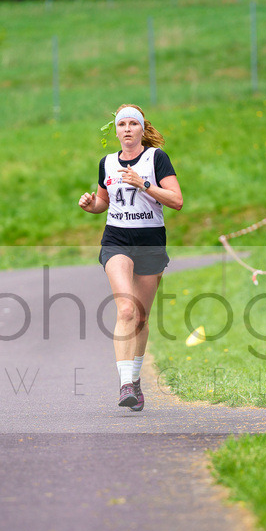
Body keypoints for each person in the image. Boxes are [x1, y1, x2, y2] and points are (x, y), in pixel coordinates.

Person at [78, 104, 183, 410]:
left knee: (141, 317)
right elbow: (103, 202)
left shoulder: (156, 159)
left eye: (132, 124)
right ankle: (125, 385)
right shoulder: (107, 163)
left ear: (141, 129)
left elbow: (176, 201)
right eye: (121, 124)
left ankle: (134, 382)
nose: (126, 129)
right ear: (116, 131)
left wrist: (145, 184)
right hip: (117, 239)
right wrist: (91, 205)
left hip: (151, 240)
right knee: (126, 310)